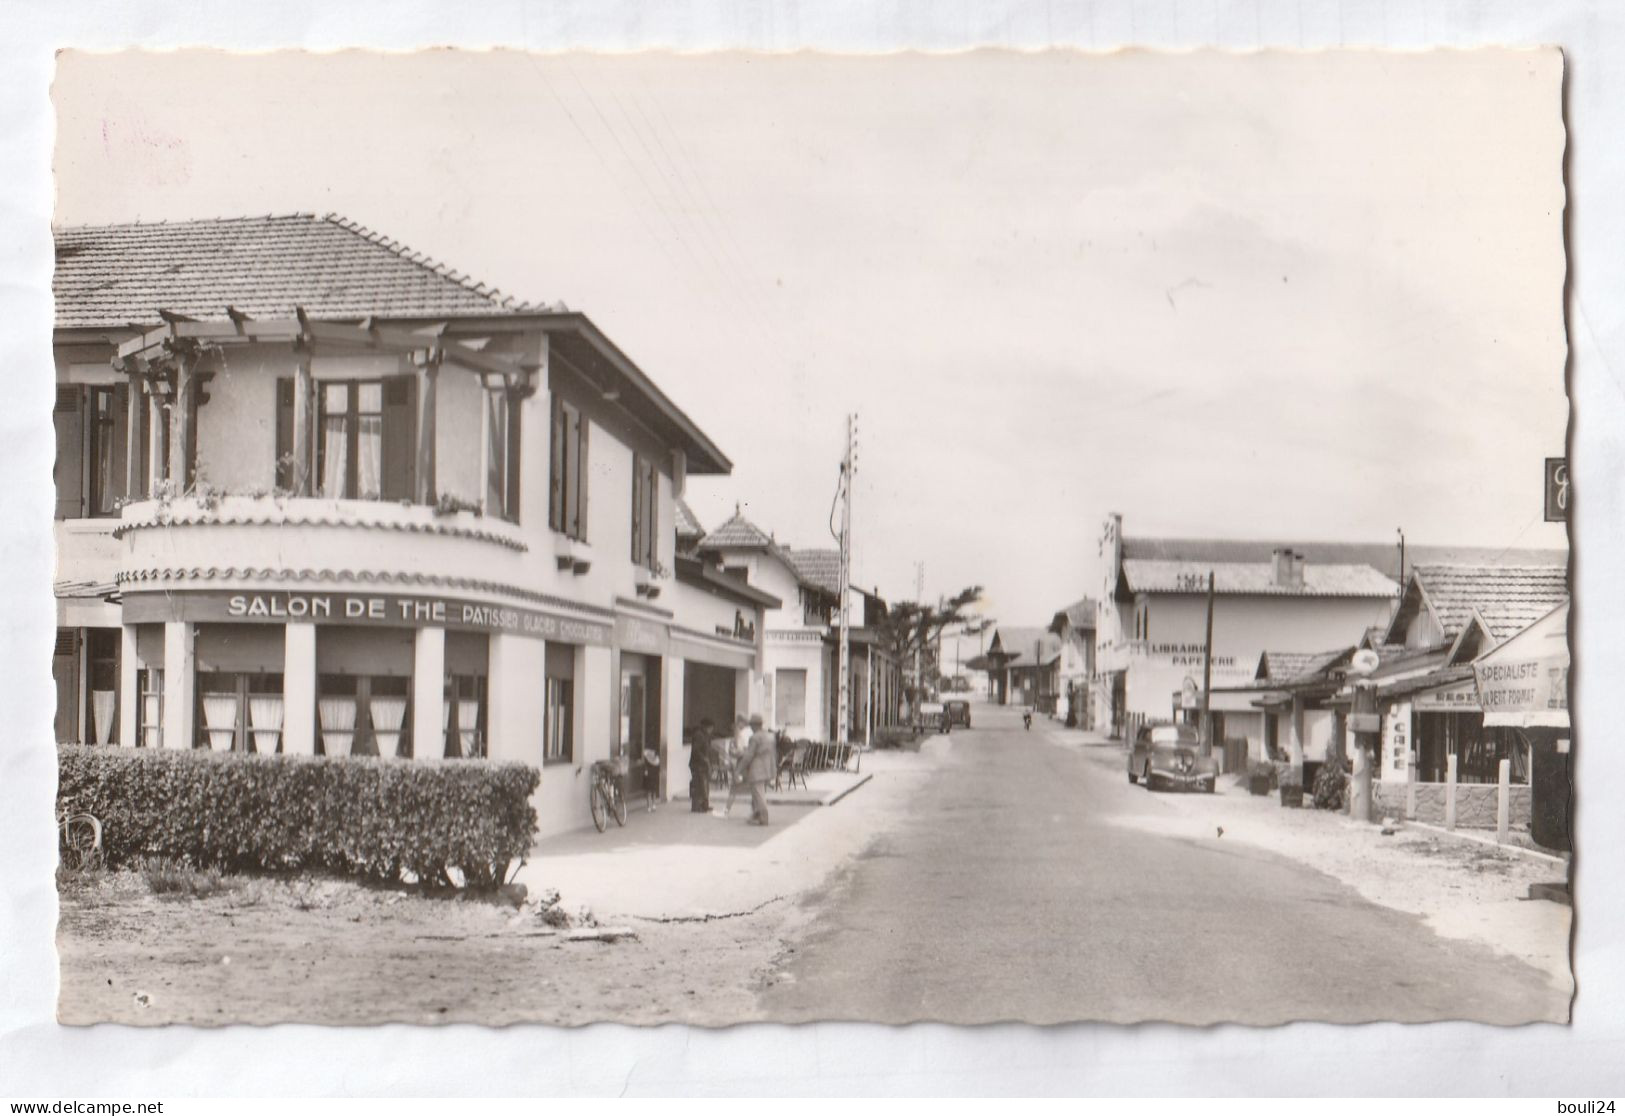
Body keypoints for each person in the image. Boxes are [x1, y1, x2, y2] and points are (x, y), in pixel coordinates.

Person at [739, 714, 777, 826]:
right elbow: (773, 754)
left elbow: (749, 755)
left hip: (757, 769)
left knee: (758, 794)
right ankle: (756, 814)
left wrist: (739, 769)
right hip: (768, 767)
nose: (750, 727)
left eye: (751, 725)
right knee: (757, 793)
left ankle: (763, 817)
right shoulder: (770, 736)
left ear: (754, 725)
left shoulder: (755, 737)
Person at [688, 719, 713, 813]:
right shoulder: (699, 735)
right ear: (707, 727)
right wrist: (704, 759)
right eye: (710, 728)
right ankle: (697, 806)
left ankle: (703, 805)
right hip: (697, 764)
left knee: (703, 785)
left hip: (702, 764)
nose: (711, 730)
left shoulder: (705, 735)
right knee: (699, 785)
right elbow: (696, 750)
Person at [641, 744, 662, 812]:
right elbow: (658, 768)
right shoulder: (656, 759)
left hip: (651, 776)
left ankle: (650, 806)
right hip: (652, 776)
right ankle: (652, 805)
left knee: (650, 791)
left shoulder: (648, 757)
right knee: (652, 791)